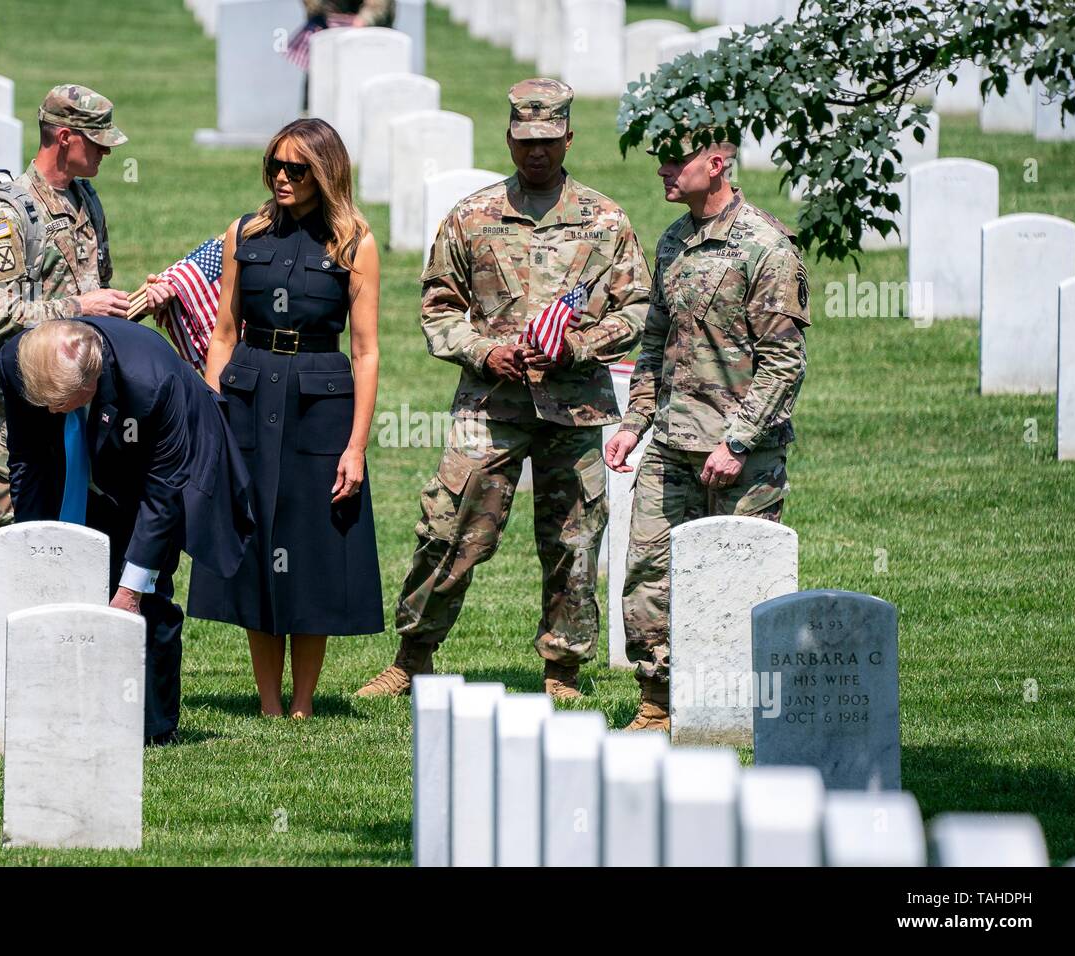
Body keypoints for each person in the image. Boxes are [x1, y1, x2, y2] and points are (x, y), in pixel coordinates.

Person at [354, 78, 653, 700]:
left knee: (575, 539)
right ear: (509, 138)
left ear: (568, 137)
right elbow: (438, 311)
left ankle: (562, 669)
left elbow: (639, 313)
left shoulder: (605, 221)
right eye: (524, 141)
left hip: (573, 406)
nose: (535, 152)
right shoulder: (472, 217)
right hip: (491, 405)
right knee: (451, 526)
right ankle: (412, 657)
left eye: (547, 141)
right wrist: (486, 350)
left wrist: (576, 346)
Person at [605, 132, 811, 731]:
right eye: (660, 162)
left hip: (742, 456)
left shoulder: (766, 247)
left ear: (716, 164)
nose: (664, 172)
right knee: (646, 573)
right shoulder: (673, 239)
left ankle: (744, 710)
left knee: (742, 582)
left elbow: (783, 362)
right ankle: (657, 703)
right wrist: (635, 421)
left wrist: (738, 441)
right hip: (671, 444)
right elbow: (655, 345)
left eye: (677, 161)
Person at [0, 84, 143, 683]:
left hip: (78, 390)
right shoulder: (9, 213)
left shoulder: (87, 202)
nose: (107, 154)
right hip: (24, 394)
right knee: (2, 511)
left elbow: (92, 281)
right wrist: (80, 305)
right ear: (65, 138)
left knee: (73, 509)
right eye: (98, 143)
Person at [187, 118, 383, 719]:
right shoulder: (243, 233)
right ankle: (268, 703)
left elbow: (367, 350)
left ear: (325, 173)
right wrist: (214, 413)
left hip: (318, 407)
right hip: (248, 396)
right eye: (274, 165)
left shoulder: (354, 243)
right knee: (257, 544)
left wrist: (355, 447)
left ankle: (302, 704)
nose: (280, 177)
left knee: (309, 544)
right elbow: (222, 333)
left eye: (296, 169)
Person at [0, 318, 255, 745]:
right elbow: (27, 459)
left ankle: (152, 728)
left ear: (92, 382)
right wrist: (36, 547)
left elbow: (162, 493)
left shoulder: (153, 383)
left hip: (151, 468)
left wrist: (130, 592)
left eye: (60, 403)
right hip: (86, 464)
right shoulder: (18, 361)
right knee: (66, 581)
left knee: (146, 596)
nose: (50, 411)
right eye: (43, 402)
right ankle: (66, 712)